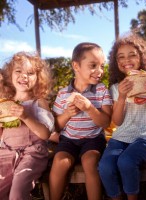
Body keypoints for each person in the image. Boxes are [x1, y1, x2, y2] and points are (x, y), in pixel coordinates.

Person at [98, 32, 146, 200]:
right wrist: (122, 97)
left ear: (142, 58)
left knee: (126, 162)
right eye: (121, 57)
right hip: (120, 136)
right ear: (116, 62)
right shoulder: (116, 88)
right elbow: (117, 121)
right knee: (105, 165)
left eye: (132, 55)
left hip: (145, 136)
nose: (126, 60)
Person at [49, 42, 113, 200]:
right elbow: (55, 126)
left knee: (90, 162)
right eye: (93, 65)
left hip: (93, 139)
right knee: (59, 161)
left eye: (102, 66)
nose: (99, 71)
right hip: (68, 140)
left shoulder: (101, 91)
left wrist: (90, 107)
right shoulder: (63, 94)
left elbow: (105, 122)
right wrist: (66, 114)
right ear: (76, 66)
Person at [0, 52, 54, 200]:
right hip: (6, 153)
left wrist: (26, 116)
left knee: (17, 194)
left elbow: (45, 134)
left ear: (38, 78)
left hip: (32, 153)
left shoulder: (39, 102)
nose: (24, 76)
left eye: (30, 73)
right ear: (10, 74)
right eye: (18, 71)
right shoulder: (4, 103)